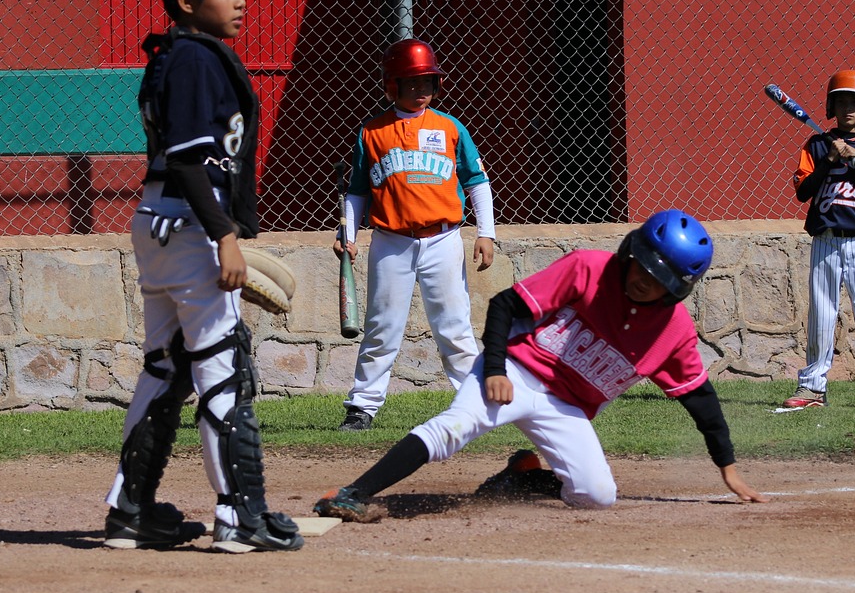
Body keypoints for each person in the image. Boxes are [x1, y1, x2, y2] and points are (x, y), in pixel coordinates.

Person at [314, 210, 769, 522]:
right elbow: (504, 306)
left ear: (680, 287)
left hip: (566, 406)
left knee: (597, 496)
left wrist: (727, 467)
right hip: (513, 369)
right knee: (455, 426)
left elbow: (701, 401)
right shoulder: (589, 268)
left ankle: (525, 475)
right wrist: (492, 368)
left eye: (659, 279)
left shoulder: (673, 333)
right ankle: (354, 494)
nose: (642, 281)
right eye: (641, 267)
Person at [102, 0, 304, 553]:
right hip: (190, 225)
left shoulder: (178, 54)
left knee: (165, 370)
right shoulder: (192, 58)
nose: (241, 1)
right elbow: (191, 159)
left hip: (161, 219)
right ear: (187, 1)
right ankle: (240, 517)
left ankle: (130, 511)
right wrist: (224, 237)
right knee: (224, 371)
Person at [334, 38, 496, 431]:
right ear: (393, 85)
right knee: (382, 327)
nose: (422, 90)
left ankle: (473, 406)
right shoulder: (372, 132)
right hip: (391, 241)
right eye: (412, 82)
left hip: (443, 239)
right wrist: (349, 232)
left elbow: (476, 180)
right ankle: (362, 406)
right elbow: (356, 189)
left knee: (454, 326)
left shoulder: (449, 127)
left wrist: (486, 233)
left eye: (428, 82)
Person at [783, 69, 855, 410]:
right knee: (821, 314)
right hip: (826, 239)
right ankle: (812, 387)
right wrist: (831, 158)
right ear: (831, 106)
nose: (848, 108)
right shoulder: (816, 145)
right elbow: (803, 193)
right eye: (841, 101)